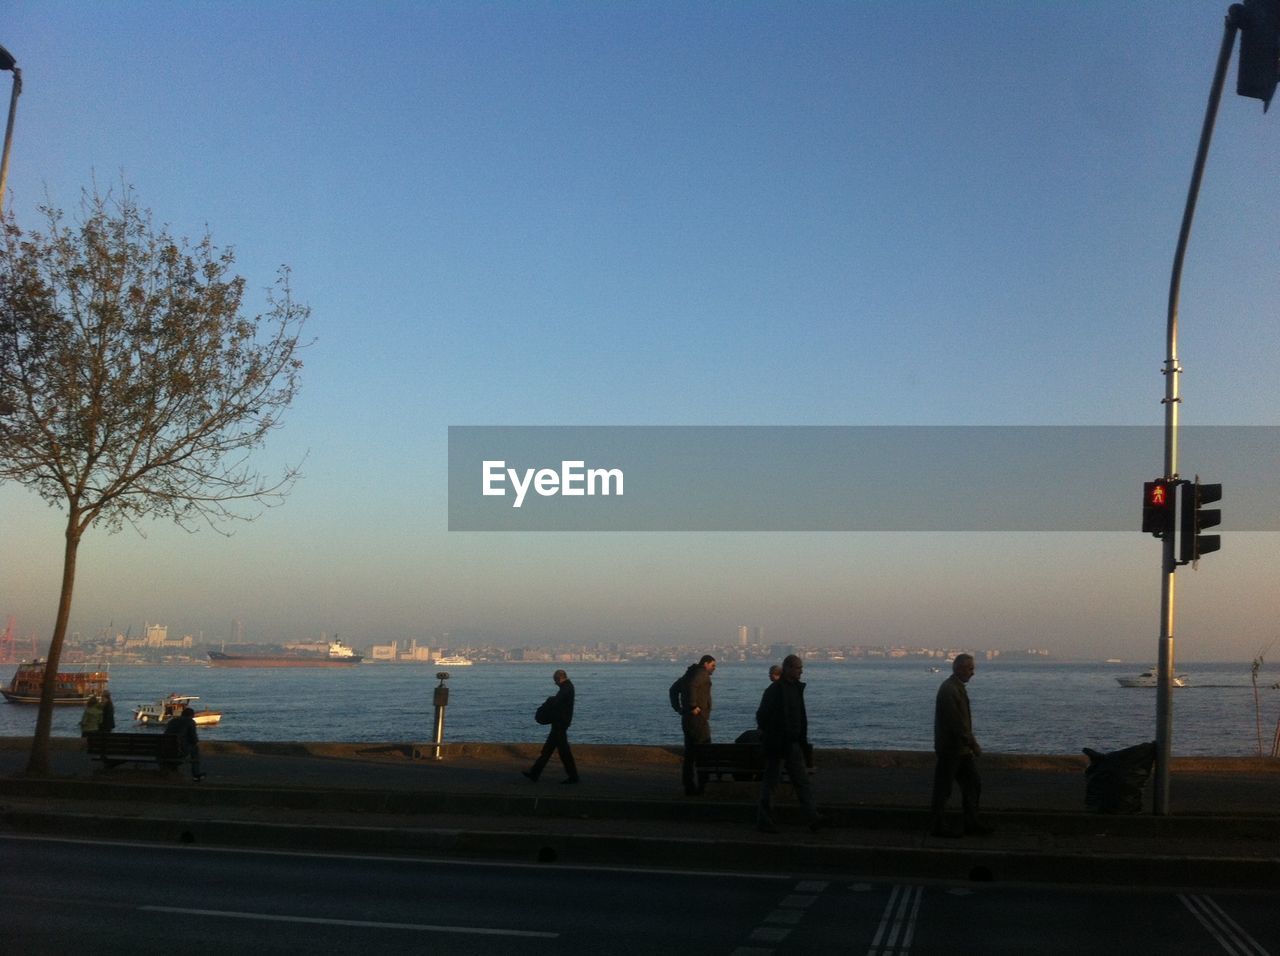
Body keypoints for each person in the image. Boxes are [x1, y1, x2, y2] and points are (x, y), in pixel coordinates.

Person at [755, 654, 821, 833]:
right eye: (799, 668)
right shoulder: (782, 690)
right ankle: (810, 817)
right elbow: (762, 716)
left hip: (787, 742)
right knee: (785, 782)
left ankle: (811, 817)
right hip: (782, 743)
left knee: (785, 782)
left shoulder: (783, 689)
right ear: (789, 668)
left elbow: (762, 716)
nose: (801, 671)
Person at [930, 653, 991, 837]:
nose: (972, 673)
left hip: (959, 749)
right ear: (958, 669)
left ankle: (971, 822)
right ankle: (938, 826)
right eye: (970, 668)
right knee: (944, 789)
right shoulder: (950, 690)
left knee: (972, 784)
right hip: (951, 749)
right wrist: (973, 744)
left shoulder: (956, 688)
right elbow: (957, 723)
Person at [670, 654, 715, 796]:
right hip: (698, 718)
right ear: (706, 664)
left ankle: (688, 785)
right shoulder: (700, 673)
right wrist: (692, 705)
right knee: (704, 751)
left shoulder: (688, 674)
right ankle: (703, 785)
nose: (714, 669)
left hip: (687, 718)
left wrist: (678, 707)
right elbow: (692, 686)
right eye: (713, 665)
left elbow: (673, 690)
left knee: (689, 754)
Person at [522, 669, 578, 784]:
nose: (555, 683)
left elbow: (557, 702)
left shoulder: (566, 688)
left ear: (559, 678)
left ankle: (573, 777)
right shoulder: (568, 687)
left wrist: (549, 701)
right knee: (549, 750)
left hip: (560, 724)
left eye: (555, 681)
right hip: (560, 723)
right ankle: (534, 773)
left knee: (562, 752)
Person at [164, 706, 205, 781]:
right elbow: (194, 739)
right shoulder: (190, 721)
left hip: (166, 748)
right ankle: (196, 774)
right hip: (179, 749)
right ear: (192, 715)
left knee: (179, 748)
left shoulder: (172, 721)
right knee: (195, 748)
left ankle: (173, 768)